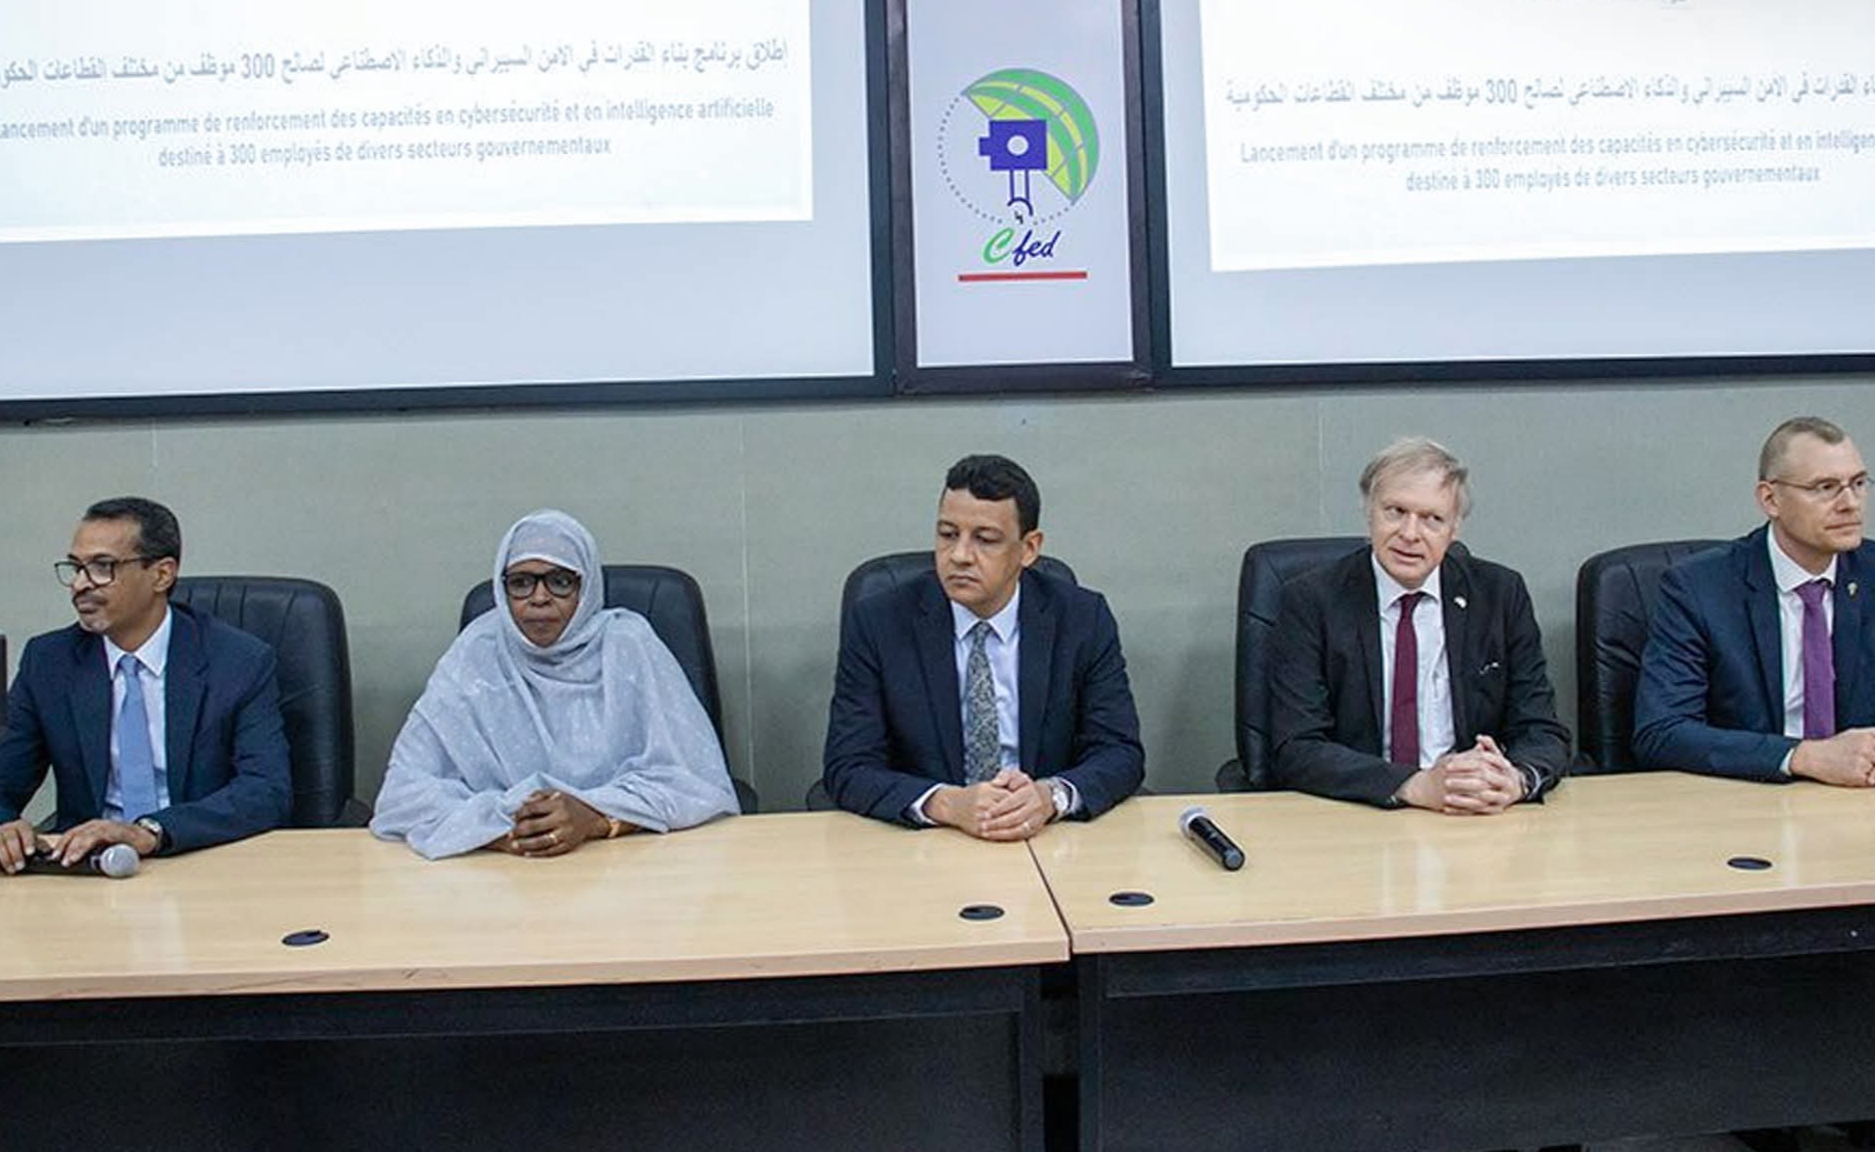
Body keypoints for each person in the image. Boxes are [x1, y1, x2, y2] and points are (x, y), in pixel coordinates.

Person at [371, 510, 738, 859]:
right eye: (521, 583)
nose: (539, 598)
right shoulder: (476, 653)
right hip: (501, 872)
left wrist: (593, 818)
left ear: (586, 587)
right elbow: (402, 795)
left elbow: (697, 783)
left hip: (627, 867)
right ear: (502, 589)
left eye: (560, 582)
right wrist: (504, 829)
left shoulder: (628, 646)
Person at [823, 454, 1143, 837]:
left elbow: (1120, 751)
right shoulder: (879, 623)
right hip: (928, 841)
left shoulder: (1082, 620)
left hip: (1047, 837)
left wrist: (1051, 796)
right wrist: (946, 803)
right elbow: (849, 766)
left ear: (1028, 548)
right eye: (947, 534)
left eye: (985, 539)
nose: (959, 556)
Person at [1271, 438, 1571, 811]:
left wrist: (1516, 779)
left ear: (1455, 528)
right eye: (1396, 511)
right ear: (1368, 511)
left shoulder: (1499, 595)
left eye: (1432, 519)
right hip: (1358, 812)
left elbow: (1541, 730)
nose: (1410, 534)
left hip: (1472, 813)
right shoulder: (1312, 600)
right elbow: (1296, 747)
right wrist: (1412, 785)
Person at [0, 497, 292, 872]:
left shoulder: (238, 662)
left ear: (161, 575)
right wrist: (6, 828)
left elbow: (266, 791)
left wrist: (151, 832)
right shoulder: (48, 662)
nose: (79, 585)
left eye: (102, 567)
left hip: (202, 858)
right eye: (76, 567)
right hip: (89, 869)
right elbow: (4, 782)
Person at [1634, 416, 1875, 784]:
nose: (1850, 504)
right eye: (1825, 487)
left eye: (1858, 484)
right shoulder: (1699, 588)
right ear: (1770, 499)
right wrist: (1801, 756)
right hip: (1750, 797)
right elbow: (1662, 732)